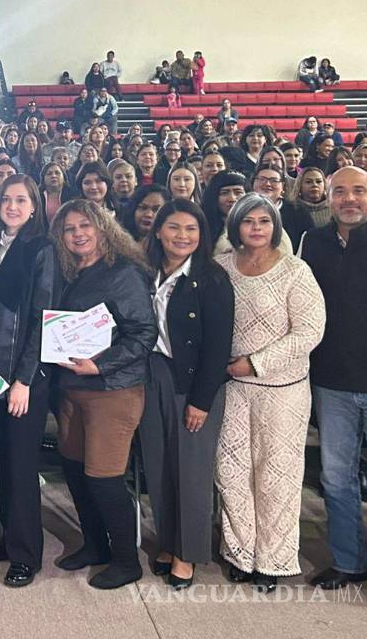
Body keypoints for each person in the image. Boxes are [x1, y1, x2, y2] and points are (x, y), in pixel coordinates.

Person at [214, 193, 325, 591]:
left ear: (274, 226)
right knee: (231, 472)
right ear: (236, 227)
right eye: (248, 221)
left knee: (275, 476)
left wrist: (256, 362)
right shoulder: (221, 266)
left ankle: (273, 560)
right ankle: (240, 552)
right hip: (231, 388)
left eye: (264, 221)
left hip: (283, 389)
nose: (256, 228)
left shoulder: (296, 270)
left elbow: (310, 331)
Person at [48, 199, 157, 589]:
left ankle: (127, 561)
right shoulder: (67, 273)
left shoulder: (122, 273)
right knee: (76, 473)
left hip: (112, 390)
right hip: (72, 389)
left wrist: (101, 364)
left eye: (84, 226)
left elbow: (144, 334)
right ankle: (95, 545)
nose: (77, 234)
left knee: (104, 477)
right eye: (69, 229)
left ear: (102, 228)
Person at [300, 167, 367, 614]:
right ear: (329, 199)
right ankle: (350, 562)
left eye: (359, 191)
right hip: (331, 383)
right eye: (340, 192)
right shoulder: (312, 244)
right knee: (336, 479)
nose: (348, 199)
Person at [138, 200, 234, 590]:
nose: (182, 236)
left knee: (192, 473)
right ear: (158, 231)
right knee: (159, 468)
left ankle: (187, 553)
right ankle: (168, 541)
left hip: (193, 383)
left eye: (191, 229)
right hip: (151, 375)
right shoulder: (144, 272)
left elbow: (217, 347)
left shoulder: (211, 279)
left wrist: (201, 400)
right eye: (174, 228)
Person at [0, 175, 55, 586]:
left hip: (24, 377)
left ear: (35, 206)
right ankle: (9, 535)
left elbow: (41, 318)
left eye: (21, 200)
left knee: (21, 466)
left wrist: (23, 379)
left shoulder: (41, 248)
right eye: (6, 199)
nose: (13, 206)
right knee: (2, 461)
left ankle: (27, 554)